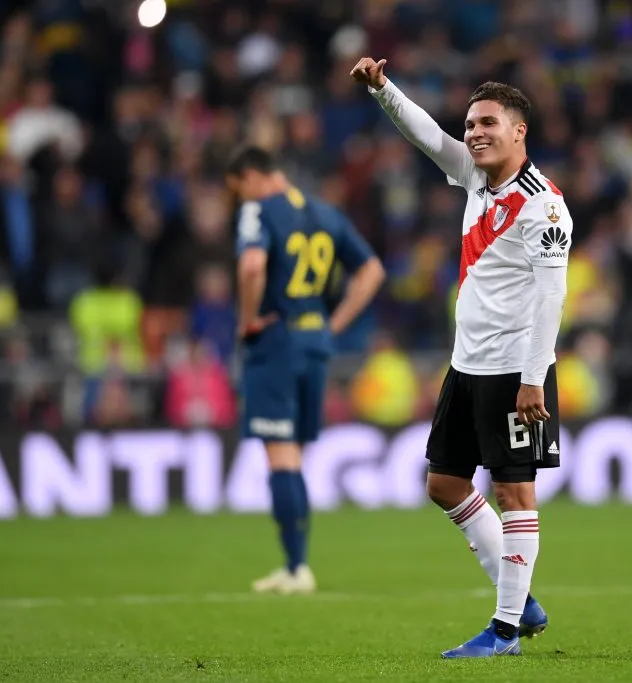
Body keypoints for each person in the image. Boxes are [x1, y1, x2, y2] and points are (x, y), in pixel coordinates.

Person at [351, 57, 572, 658]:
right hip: (467, 364)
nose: (474, 132)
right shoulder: (476, 178)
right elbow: (428, 136)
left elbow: (552, 297)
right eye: (471, 123)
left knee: (514, 494)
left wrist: (534, 380)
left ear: (519, 131)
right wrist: (382, 89)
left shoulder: (544, 206)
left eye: (488, 123)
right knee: (444, 483)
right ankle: (520, 599)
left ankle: (505, 630)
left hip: (515, 370)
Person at [227, 146, 386, 593]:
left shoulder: (258, 211)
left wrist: (247, 320)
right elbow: (372, 270)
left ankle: (296, 566)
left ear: (253, 176)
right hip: (315, 343)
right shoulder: (326, 213)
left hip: (276, 342)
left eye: (239, 189)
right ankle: (295, 565)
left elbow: (252, 265)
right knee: (293, 455)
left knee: (281, 456)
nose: (240, 199)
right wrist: (333, 324)